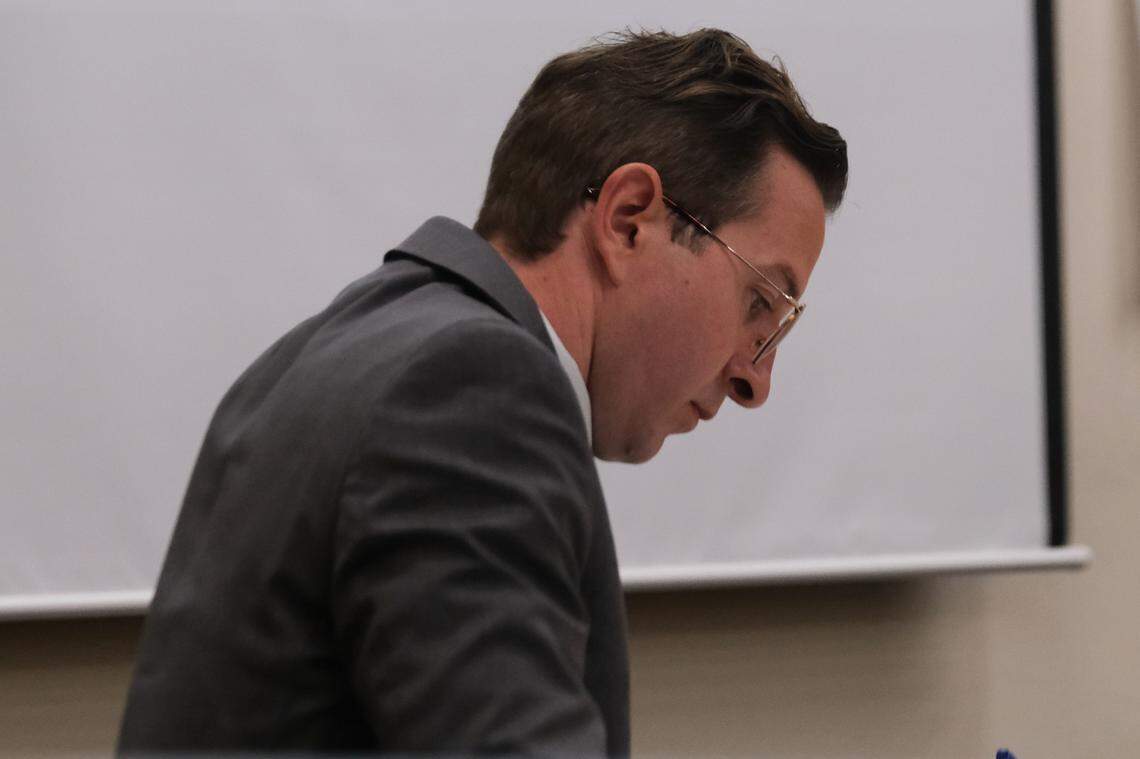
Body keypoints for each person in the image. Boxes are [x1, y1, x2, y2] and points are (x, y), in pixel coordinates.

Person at [118, 27, 847, 756]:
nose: (757, 378)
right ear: (628, 220)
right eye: (761, 303)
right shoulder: (470, 392)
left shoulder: (332, 353)